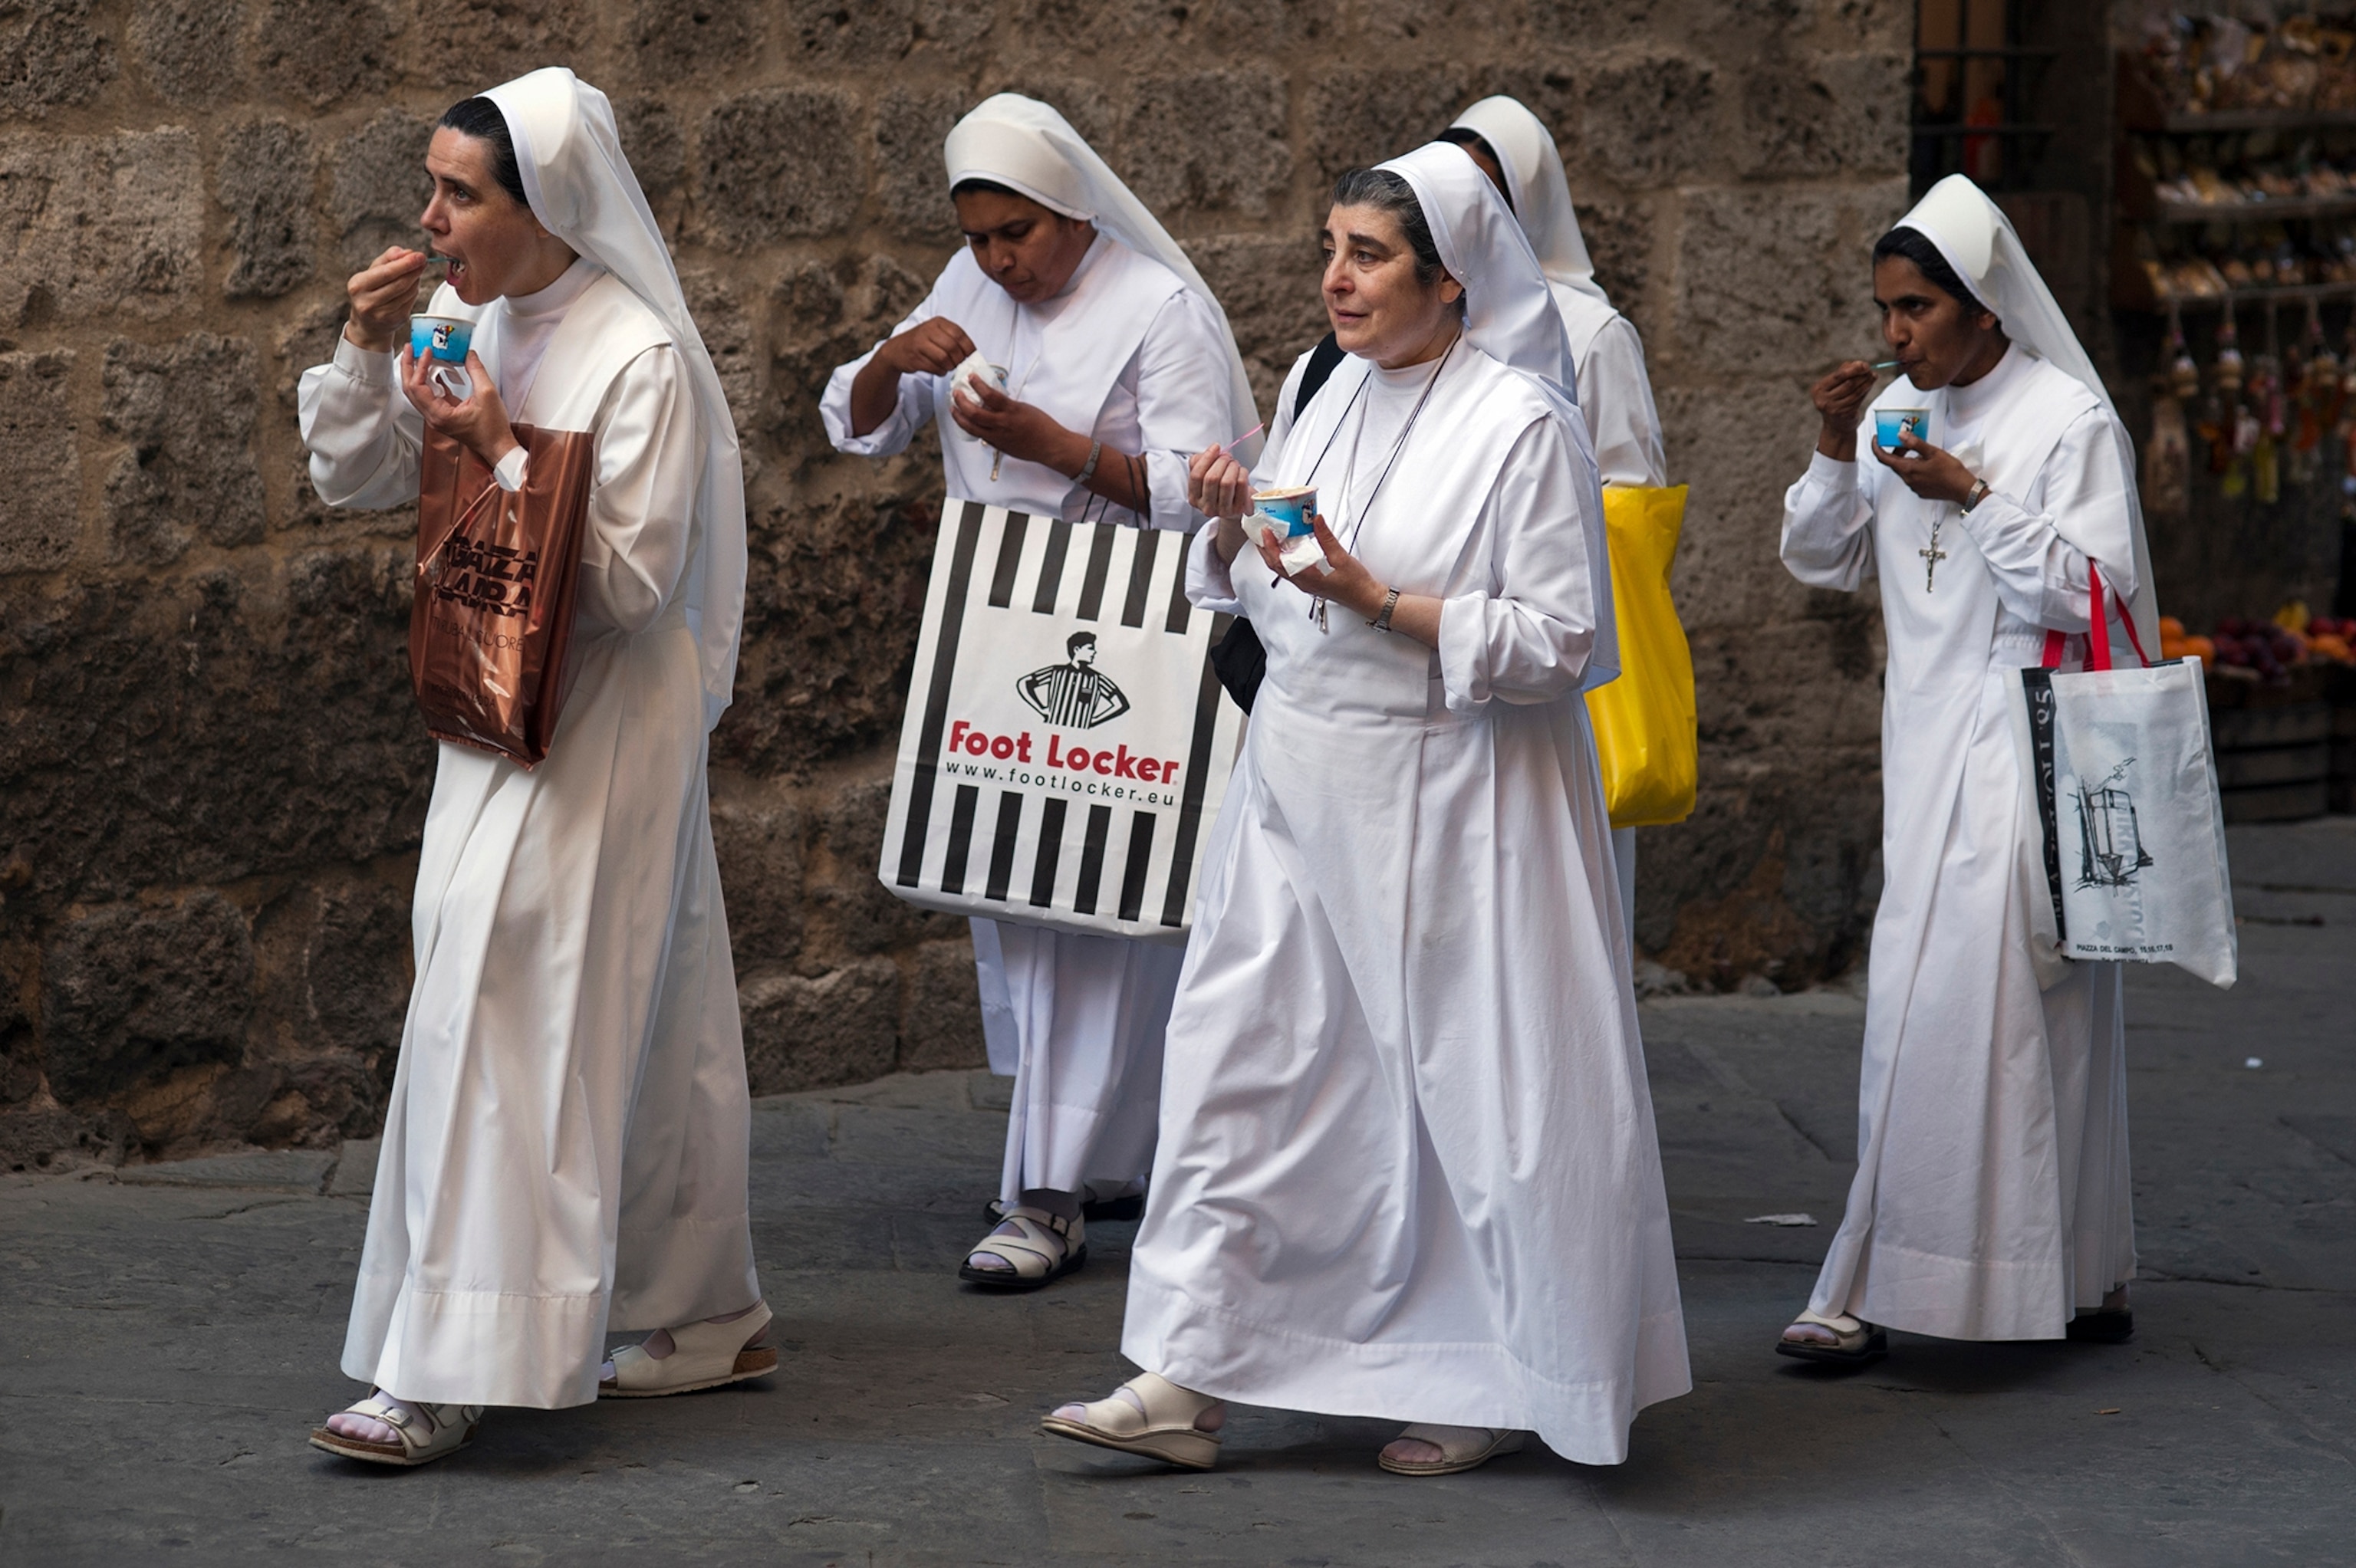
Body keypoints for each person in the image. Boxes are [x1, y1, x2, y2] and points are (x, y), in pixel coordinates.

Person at [1042, 144, 1689, 1476]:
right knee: (1239, 1069)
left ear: (1449, 282)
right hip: (1292, 788)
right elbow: (1271, 572)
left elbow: (1565, 640)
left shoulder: (1521, 422)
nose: (1335, 279)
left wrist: (1376, 599)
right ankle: (1188, 1369)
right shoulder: (1315, 384)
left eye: (1368, 255)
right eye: (1329, 249)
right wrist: (1228, 526)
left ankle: (1480, 1376)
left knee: (1451, 1098)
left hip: (1451, 803)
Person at [297, 68, 764, 1466]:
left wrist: (500, 441)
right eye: (430, 187)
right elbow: (361, 477)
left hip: (603, 717)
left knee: (512, 998)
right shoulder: (461, 314)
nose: (431, 220)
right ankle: (700, 1308)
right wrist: (363, 347)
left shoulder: (639, 358)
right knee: (640, 990)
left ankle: (454, 1356)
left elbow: (628, 584)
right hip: (492, 709)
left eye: (462, 195)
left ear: (542, 203)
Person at [821, 94, 1257, 1291]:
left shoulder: (1160, 309)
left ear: (1073, 212)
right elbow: (858, 426)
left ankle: (1045, 1194)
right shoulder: (964, 293)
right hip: (992, 621)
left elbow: (1202, 482)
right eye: (977, 237)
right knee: (1014, 899)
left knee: (1092, 912)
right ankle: (1104, 1154)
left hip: (1120, 630)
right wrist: (887, 359)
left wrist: (1056, 444)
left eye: (1017, 232)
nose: (998, 259)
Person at [1776, 174, 2158, 1365]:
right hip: (1924, 746)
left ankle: (1885, 1282)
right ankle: (2065, 1271)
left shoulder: (2068, 423)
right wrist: (1838, 448)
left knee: (1964, 1018)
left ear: (1984, 307)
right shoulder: (1899, 408)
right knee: (1941, 1012)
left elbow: (2100, 595)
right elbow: (1821, 560)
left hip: (2018, 752)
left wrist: (1977, 496)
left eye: (1916, 311)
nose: (1894, 335)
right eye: (1885, 310)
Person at [1441, 95, 1668, 934]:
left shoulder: (1592, 331)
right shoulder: (1434, 312)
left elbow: (1630, 498)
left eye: (1492, 191)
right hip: (1448, 644)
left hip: (1542, 632)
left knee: (1557, 912)